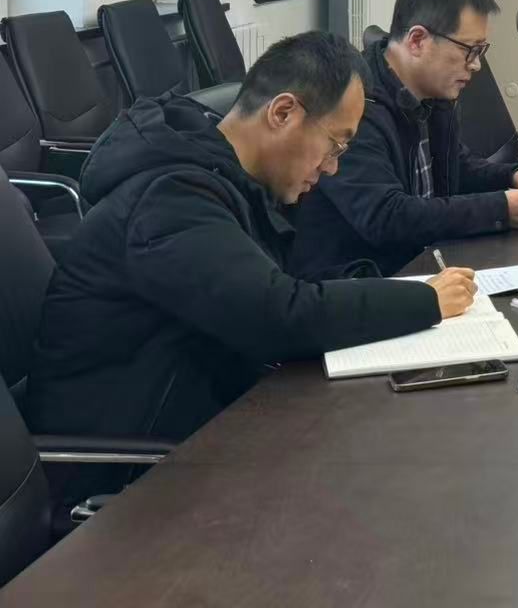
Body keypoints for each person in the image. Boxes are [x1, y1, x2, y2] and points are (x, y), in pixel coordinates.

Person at [26, 32, 476, 448]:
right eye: (335, 145)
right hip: (133, 465)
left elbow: (290, 283)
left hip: (205, 420)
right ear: (283, 113)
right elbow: (276, 316)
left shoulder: (233, 182)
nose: (332, 167)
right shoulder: (170, 199)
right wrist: (423, 300)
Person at [290, 0, 518, 278]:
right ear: (418, 40)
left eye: (480, 51)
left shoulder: (430, 94)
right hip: (365, 281)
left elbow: (456, 168)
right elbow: (387, 216)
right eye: (469, 50)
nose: (476, 65)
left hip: (422, 263)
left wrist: (514, 176)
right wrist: (501, 209)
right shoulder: (355, 107)